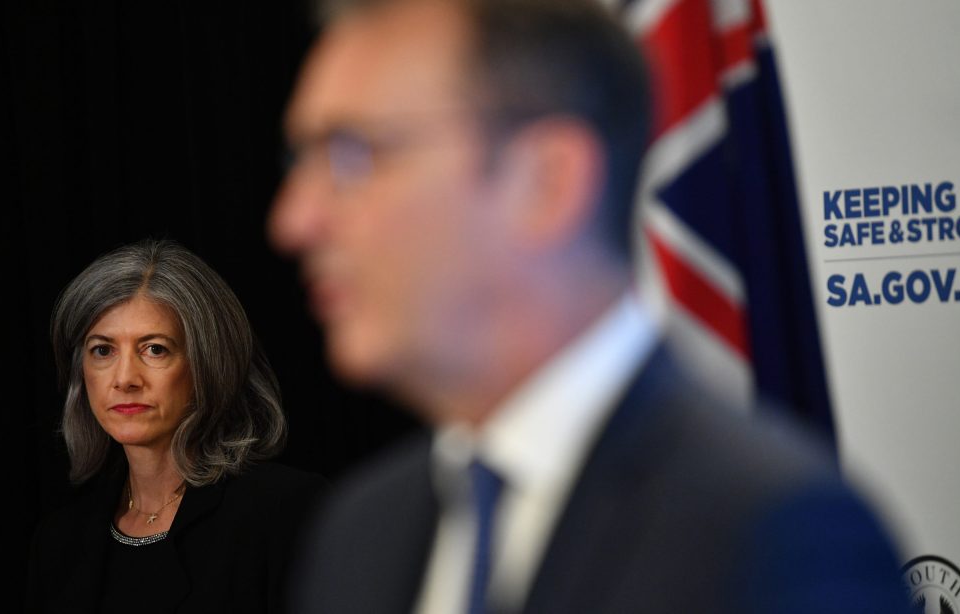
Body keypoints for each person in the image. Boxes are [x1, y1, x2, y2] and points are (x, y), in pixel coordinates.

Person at [269, 0, 908, 612]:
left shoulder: (768, 531)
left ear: (547, 181)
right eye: (301, 161)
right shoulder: (361, 533)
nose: (294, 221)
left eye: (352, 156)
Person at [26, 239, 323, 614]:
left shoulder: (284, 511)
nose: (125, 378)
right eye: (103, 350)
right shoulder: (58, 545)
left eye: (155, 349)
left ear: (207, 364)